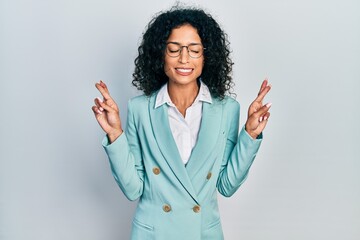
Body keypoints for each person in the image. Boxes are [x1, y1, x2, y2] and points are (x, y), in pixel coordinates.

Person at [92, 6, 271, 240]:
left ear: (207, 56)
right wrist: (115, 135)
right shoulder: (139, 109)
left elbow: (227, 186)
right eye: (174, 49)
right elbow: (133, 188)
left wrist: (249, 135)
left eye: (194, 50)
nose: (184, 58)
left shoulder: (227, 109)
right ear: (161, 55)